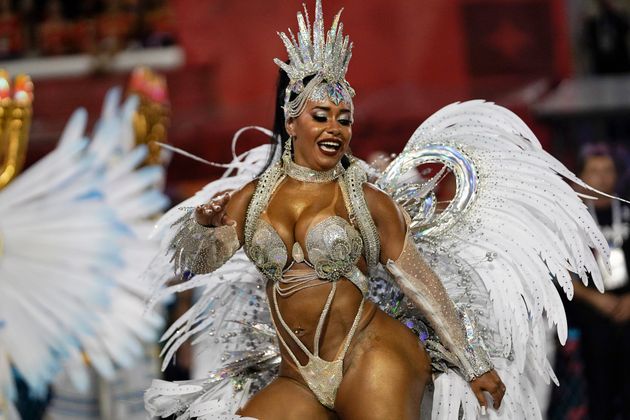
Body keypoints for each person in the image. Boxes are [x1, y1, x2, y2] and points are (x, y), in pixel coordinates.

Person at [144, 1, 610, 418]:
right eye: (321, 116)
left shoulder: (366, 199)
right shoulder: (251, 200)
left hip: (372, 351)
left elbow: (421, 284)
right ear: (291, 121)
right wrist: (201, 227)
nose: (336, 129)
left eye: (344, 119)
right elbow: (201, 261)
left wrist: (475, 364)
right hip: (297, 375)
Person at [564, 144, 630, 419]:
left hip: (627, 305)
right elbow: (562, 272)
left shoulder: (627, 209)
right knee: (598, 390)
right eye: (594, 171)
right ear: (581, 176)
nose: (601, 178)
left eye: (607, 171)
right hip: (592, 311)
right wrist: (595, 299)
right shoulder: (572, 219)